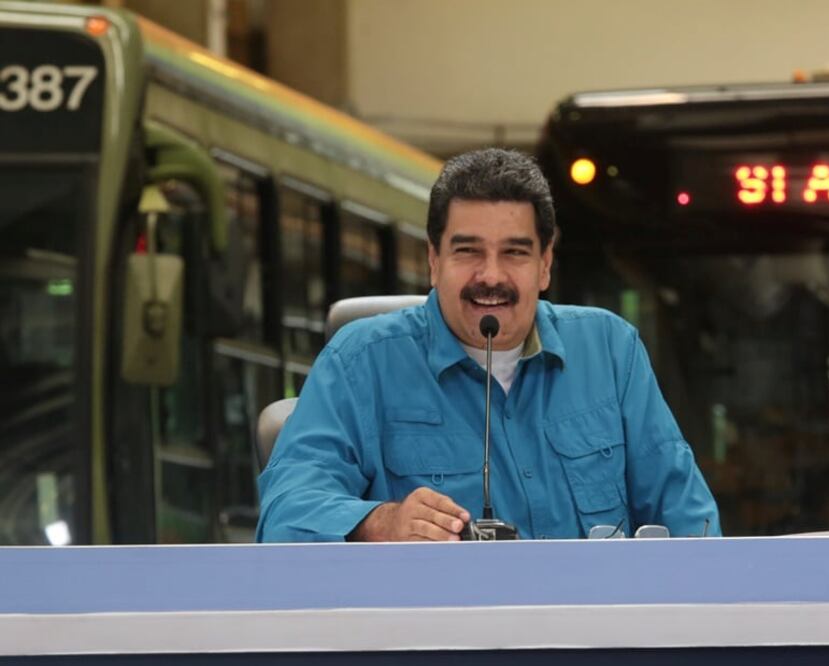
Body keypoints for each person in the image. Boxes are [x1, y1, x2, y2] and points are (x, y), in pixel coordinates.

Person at [257, 148, 719, 542]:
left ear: (545, 264)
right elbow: (285, 515)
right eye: (468, 251)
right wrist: (380, 523)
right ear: (434, 260)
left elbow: (691, 522)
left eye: (515, 252)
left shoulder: (611, 351)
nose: (491, 276)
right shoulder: (359, 362)